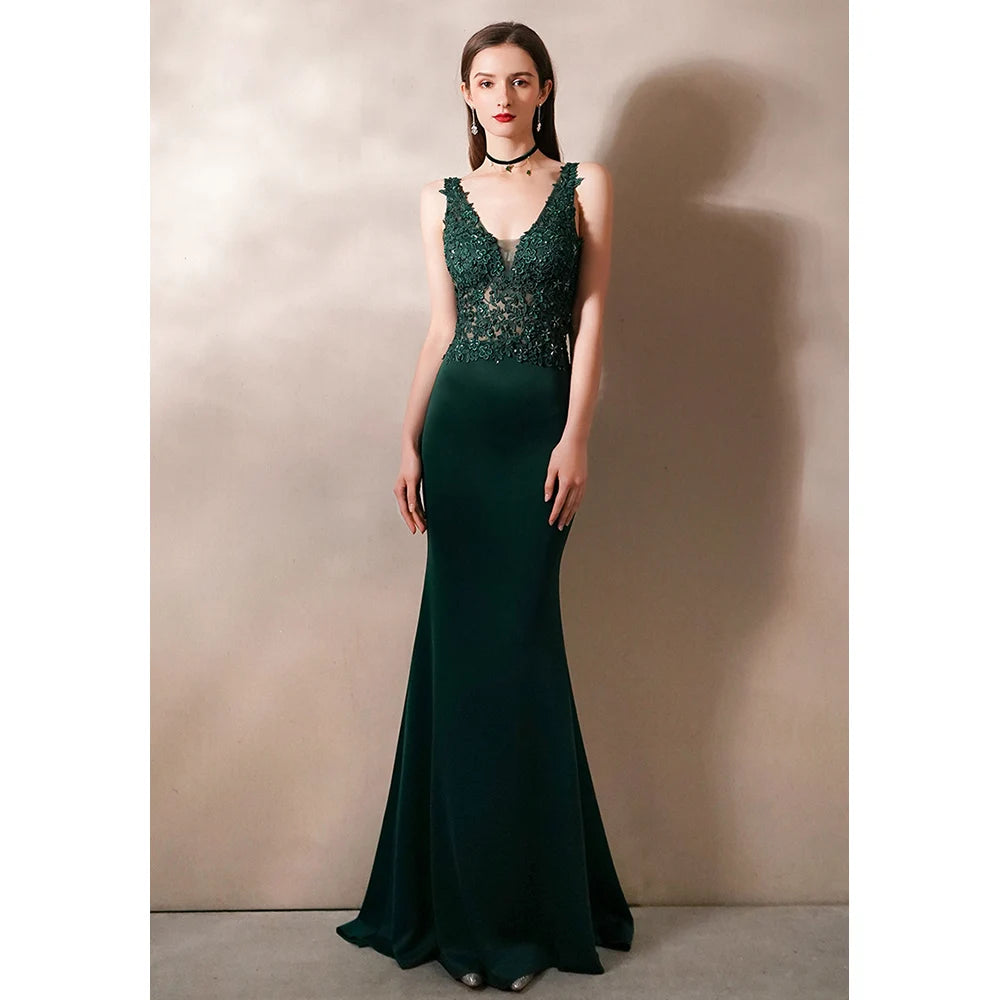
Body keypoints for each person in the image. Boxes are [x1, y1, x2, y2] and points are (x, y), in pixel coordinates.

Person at [336, 21, 633, 992]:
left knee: (520, 663)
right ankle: (465, 916)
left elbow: (591, 317)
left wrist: (576, 436)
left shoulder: (586, 185)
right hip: (459, 438)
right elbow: (441, 329)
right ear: (465, 95)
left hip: (539, 438)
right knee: (461, 669)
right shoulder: (438, 198)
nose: (502, 96)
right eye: (485, 81)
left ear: (545, 89)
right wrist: (407, 441)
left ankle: (529, 910)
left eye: (519, 80)